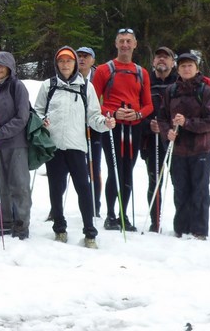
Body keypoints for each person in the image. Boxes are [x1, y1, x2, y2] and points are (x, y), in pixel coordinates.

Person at [34, 47, 115, 249]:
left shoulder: (86, 87)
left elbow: (94, 116)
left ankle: (89, 232)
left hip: (77, 146)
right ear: (56, 64)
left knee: (84, 189)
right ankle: (59, 228)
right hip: (54, 146)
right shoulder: (48, 86)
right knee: (55, 189)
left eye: (69, 61)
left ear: (75, 64)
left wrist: (104, 123)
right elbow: (36, 111)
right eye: (61, 61)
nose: (65, 65)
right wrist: (42, 120)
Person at [91, 29, 153, 232]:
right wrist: (112, 113)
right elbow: (93, 101)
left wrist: (137, 115)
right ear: (116, 44)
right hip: (113, 127)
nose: (125, 45)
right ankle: (110, 215)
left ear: (135, 44)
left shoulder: (141, 72)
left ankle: (123, 214)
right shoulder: (104, 70)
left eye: (129, 41)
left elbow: (148, 105)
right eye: (121, 41)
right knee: (115, 169)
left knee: (128, 171)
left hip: (134, 127)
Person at [157, 53, 210, 240]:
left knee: (199, 190)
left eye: (190, 65)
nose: (186, 69)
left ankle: (199, 230)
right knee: (180, 189)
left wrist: (187, 123)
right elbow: (162, 117)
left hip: (201, 149)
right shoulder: (171, 91)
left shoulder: (205, 91)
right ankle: (181, 228)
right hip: (178, 150)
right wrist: (167, 131)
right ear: (178, 69)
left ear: (197, 68)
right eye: (183, 66)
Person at [0, 51, 31, 239]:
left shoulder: (18, 87)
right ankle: (4, 222)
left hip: (16, 144)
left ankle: (21, 224)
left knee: (19, 185)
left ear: (10, 67)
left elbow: (22, 117)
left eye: (2, 66)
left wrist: (0, 132)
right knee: (0, 185)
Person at [143, 47, 178, 232]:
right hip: (153, 139)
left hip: (177, 140)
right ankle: (155, 222)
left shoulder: (181, 81)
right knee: (154, 181)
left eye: (166, 57)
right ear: (153, 62)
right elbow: (139, 108)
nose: (162, 60)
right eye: (158, 57)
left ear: (173, 62)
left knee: (178, 182)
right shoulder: (145, 81)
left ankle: (182, 222)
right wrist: (148, 123)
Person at [76, 46, 101, 216]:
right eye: (79, 56)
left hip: (94, 127)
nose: (82, 60)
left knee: (94, 166)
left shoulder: (99, 77)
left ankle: (95, 205)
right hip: (74, 127)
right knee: (70, 167)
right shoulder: (69, 75)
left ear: (93, 60)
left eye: (86, 56)